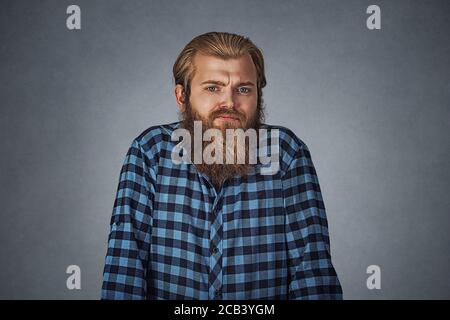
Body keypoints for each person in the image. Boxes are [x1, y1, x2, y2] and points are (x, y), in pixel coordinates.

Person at [101, 31, 343, 299]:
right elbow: (125, 265)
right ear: (182, 96)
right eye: (213, 87)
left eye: (243, 89)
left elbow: (311, 268)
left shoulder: (286, 153)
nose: (229, 102)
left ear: (257, 96)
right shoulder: (150, 152)